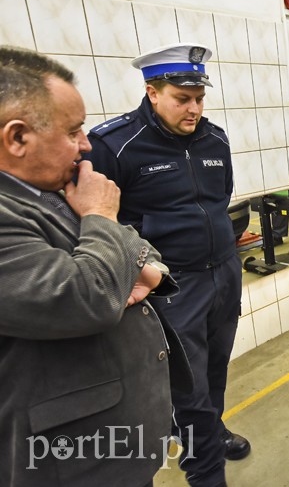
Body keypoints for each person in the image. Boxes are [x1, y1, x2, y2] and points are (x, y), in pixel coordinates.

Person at [0, 46, 177, 486]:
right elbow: (86, 298)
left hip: (114, 445)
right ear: (17, 137)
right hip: (68, 463)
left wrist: (147, 268)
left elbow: (136, 245)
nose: (85, 144)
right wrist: (100, 215)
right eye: (74, 130)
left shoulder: (45, 186)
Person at [85, 43, 250, 487]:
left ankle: (207, 434)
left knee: (215, 370)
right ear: (152, 92)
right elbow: (95, 222)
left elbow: (219, 199)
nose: (193, 108)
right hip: (171, 286)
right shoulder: (115, 146)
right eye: (182, 98)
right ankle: (205, 472)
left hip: (224, 274)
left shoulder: (215, 139)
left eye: (199, 98)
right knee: (190, 388)